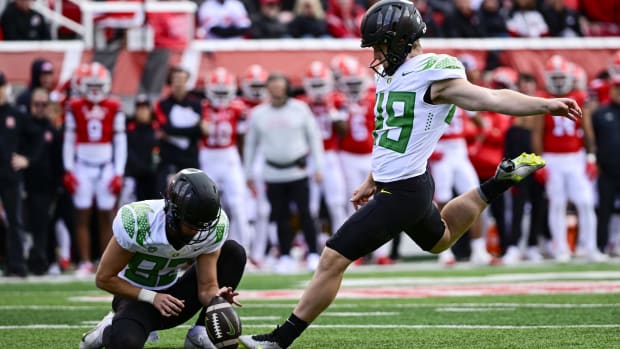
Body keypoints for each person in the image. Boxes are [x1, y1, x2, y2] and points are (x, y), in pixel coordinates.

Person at [239, 1, 581, 348]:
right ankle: (499, 182)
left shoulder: (435, 73)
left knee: (332, 258)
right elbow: (393, 133)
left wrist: (546, 103)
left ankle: (279, 340)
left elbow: (490, 97)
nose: (376, 54)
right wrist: (374, 177)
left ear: (401, 40)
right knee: (442, 239)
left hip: (403, 191)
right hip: (407, 184)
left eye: (380, 45)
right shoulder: (392, 73)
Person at [78, 168, 247, 349]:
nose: (199, 232)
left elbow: (206, 288)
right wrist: (152, 297)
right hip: (135, 297)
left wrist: (216, 299)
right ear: (174, 213)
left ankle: (200, 332)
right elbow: (103, 278)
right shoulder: (139, 220)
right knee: (126, 343)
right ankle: (107, 328)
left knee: (233, 252)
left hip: (174, 299)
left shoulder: (213, 227)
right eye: (192, 224)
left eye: (204, 225)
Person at [243, 73, 325, 274]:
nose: (276, 91)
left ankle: (313, 253)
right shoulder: (259, 113)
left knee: (306, 213)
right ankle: (285, 254)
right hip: (273, 171)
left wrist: (319, 167)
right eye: (272, 87)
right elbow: (251, 144)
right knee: (280, 216)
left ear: (287, 88)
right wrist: (248, 173)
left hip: (298, 170)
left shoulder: (300, 109)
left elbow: (314, 138)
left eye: (280, 87)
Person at [63, 62, 127, 276]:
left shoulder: (113, 105)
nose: (95, 90)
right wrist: (69, 169)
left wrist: (118, 172)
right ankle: (84, 261)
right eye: (91, 85)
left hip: (105, 165)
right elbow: (69, 140)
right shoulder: (75, 105)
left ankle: (106, 261)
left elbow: (120, 141)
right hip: (83, 164)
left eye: (98, 85)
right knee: (82, 214)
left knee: (106, 215)